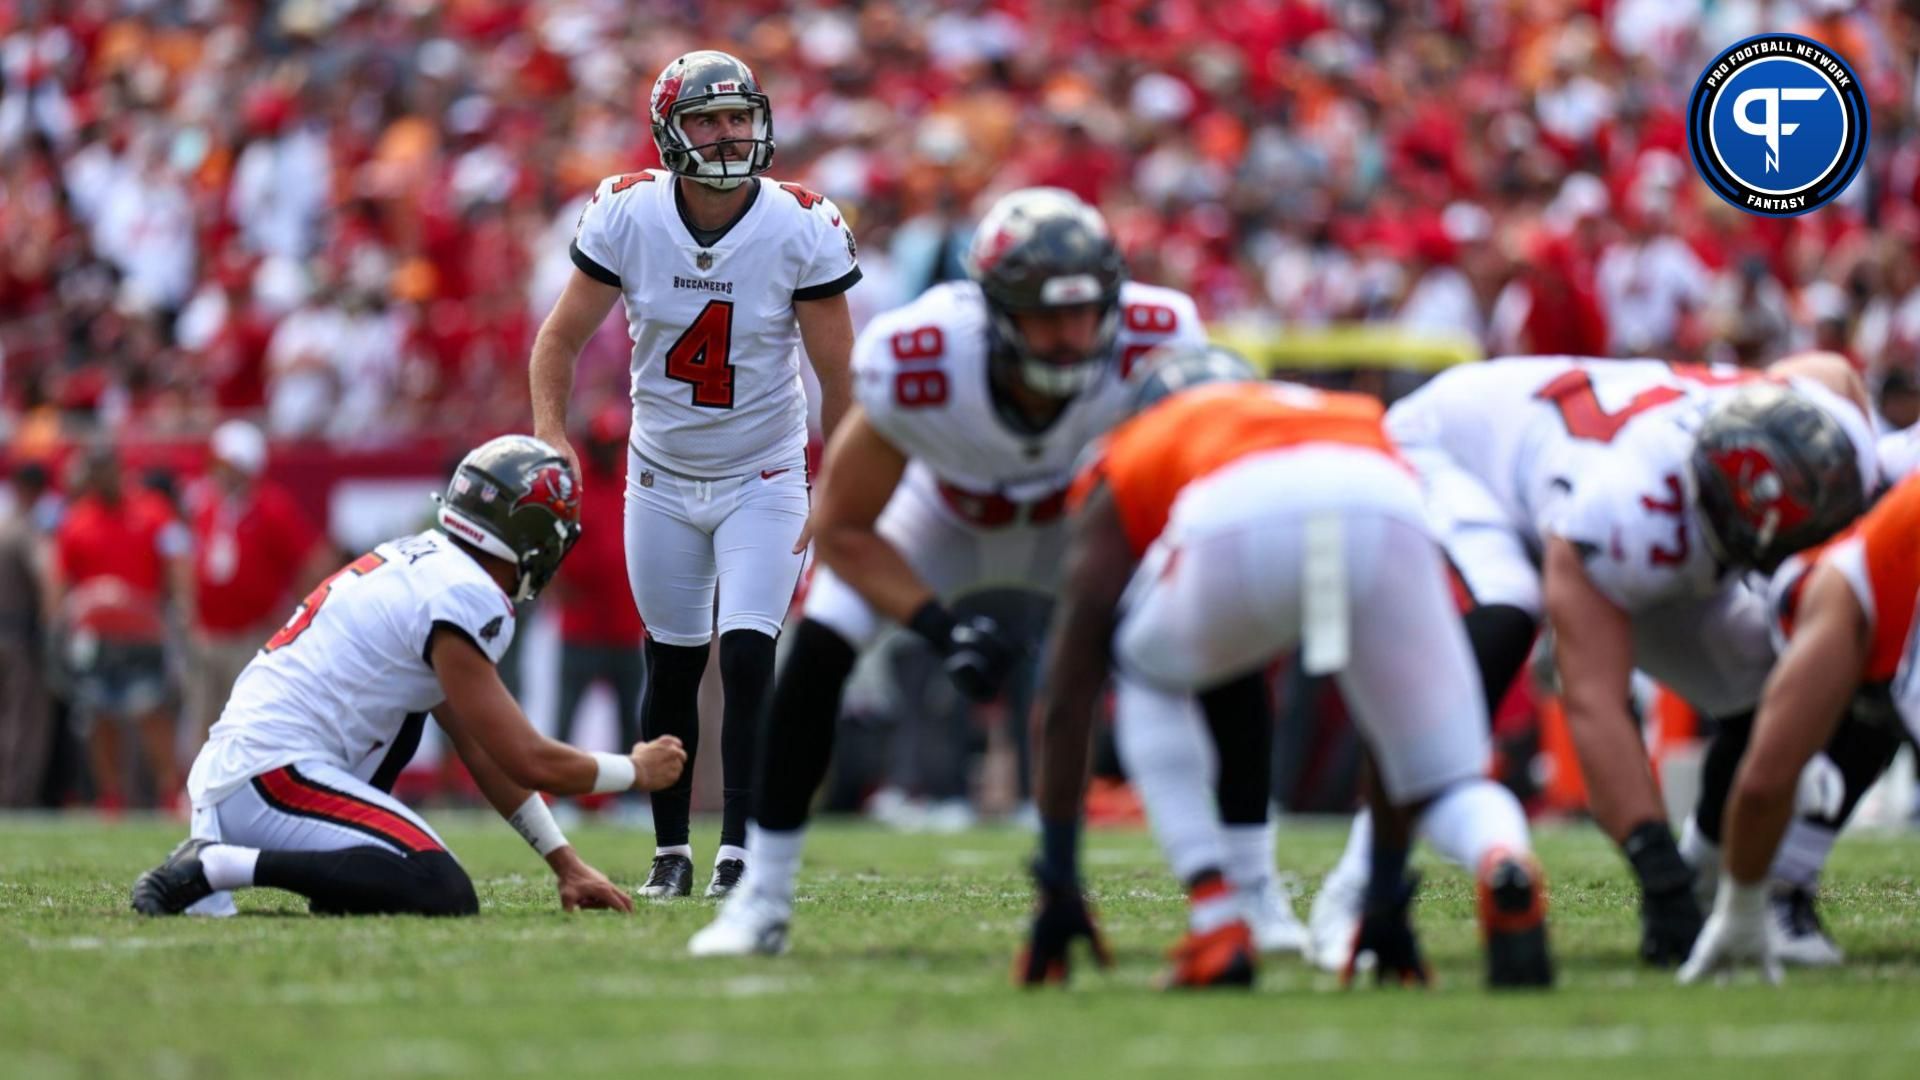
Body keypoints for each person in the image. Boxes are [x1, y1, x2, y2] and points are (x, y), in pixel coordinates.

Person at [691, 187, 1248, 959]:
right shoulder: (918, 353)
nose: (1070, 338)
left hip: (1080, 519)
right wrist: (939, 625)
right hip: (943, 514)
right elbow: (841, 526)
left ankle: (1252, 895)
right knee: (820, 647)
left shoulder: (1159, 335)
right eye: (1047, 315)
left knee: (1216, 633)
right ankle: (762, 899)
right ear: (995, 310)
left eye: (1087, 313)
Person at [1305, 354, 1882, 971]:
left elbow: (1827, 370)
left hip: (1623, 500)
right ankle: (1361, 884)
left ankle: (1714, 875)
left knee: (1775, 689)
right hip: (1463, 460)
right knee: (1507, 611)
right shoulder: (1625, 509)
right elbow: (1595, 702)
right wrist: (1657, 880)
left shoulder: (1828, 433)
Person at [1021, 346, 1551, 989]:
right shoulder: (1326, 407)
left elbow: (1072, 676)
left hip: (1240, 507)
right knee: (1440, 768)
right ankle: (1501, 860)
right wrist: (1384, 893)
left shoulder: (1141, 443)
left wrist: (1058, 875)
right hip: (1384, 494)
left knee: (1146, 670)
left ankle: (1218, 918)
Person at [529, 50, 859, 899]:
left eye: (738, 116)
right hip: (662, 473)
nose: (727, 133)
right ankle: (671, 851)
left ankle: (740, 851)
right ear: (669, 132)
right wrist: (549, 433)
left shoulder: (801, 223)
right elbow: (558, 339)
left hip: (764, 471)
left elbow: (839, 376)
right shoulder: (628, 214)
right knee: (671, 665)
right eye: (708, 119)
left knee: (750, 657)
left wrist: (844, 484)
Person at [129, 436, 687, 918]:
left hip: (257, 769)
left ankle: (276, 868)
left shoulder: (427, 562)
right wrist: (633, 771)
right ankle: (216, 865)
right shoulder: (465, 592)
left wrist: (564, 862)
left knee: (419, 851)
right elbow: (527, 758)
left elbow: (482, 748)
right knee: (439, 888)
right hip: (272, 774)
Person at [1681, 472, 1920, 982]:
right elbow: (1765, 781)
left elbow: (1765, 783)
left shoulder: (1853, 579)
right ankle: (1779, 885)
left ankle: (1771, 887)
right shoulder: (1847, 585)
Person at [47, 443, 192, 810]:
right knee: (99, 717)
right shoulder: (76, 520)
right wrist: (59, 624)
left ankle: (169, 792)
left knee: (151, 713)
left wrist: (180, 611)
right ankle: (110, 796)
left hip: (144, 635)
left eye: (105, 468)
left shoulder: (152, 511)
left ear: (117, 468)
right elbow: (61, 580)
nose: (101, 477)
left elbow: (176, 563)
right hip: (97, 638)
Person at [185, 419, 330, 751]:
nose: (217, 471)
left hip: (252, 634)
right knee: (203, 717)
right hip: (207, 633)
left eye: (225, 464)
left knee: (248, 718)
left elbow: (313, 560)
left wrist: (291, 612)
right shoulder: (205, 503)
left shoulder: (271, 506)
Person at [549, 408, 648, 797]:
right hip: (581, 623)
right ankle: (560, 795)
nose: (609, 452)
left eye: (614, 444)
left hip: (624, 624)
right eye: (602, 445)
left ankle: (631, 798)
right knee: (566, 718)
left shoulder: (635, 477)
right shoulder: (574, 484)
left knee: (630, 717)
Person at [0, 463, 54, 806]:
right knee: (24, 722)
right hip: (20, 638)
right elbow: (48, 580)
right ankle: (14, 799)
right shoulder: (25, 531)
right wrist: (53, 630)